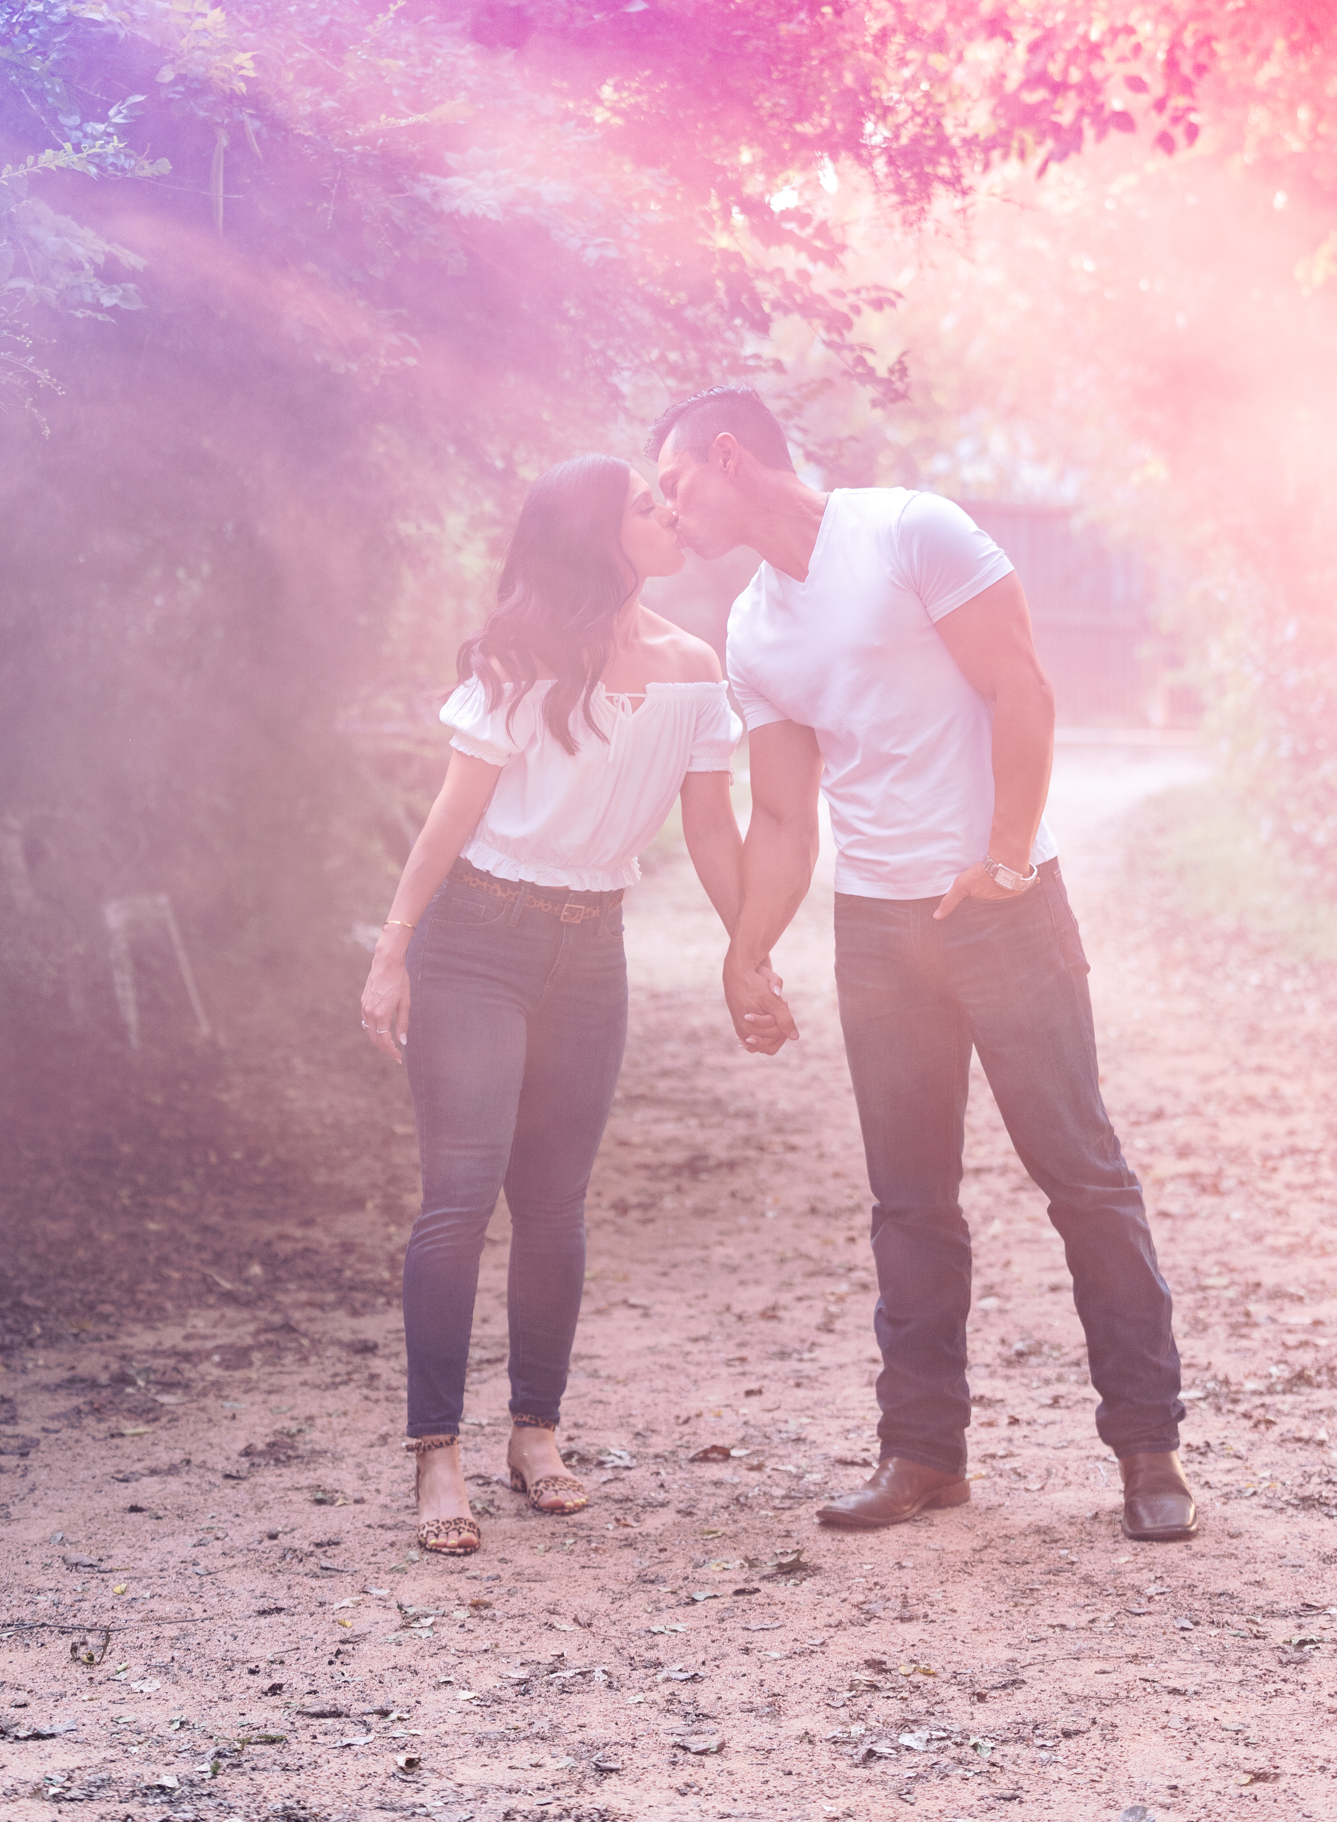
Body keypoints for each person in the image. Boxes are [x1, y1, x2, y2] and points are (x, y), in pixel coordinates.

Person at [649, 388, 1197, 1545]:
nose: (665, 511)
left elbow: (1021, 688)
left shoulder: (909, 530)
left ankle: (1150, 1454)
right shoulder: (753, 629)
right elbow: (785, 818)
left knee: (1081, 1176)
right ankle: (923, 1456)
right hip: (877, 931)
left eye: (672, 483)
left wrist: (1004, 860)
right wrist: (746, 953)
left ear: (728, 455)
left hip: (1003, 910)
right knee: (908, 1202)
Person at [359, 455, 744, 1555]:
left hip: (592, 951)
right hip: (477, 942)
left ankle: (535, 1436)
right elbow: (447, 820)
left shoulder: (692, 667)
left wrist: (748, 947)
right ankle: (436, 1452)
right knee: (460, 1200)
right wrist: (392, 956)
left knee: (556, 1206)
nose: (667, 513)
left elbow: (709, 829)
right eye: (643, 505)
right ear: (595, 536)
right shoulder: (516, 660)